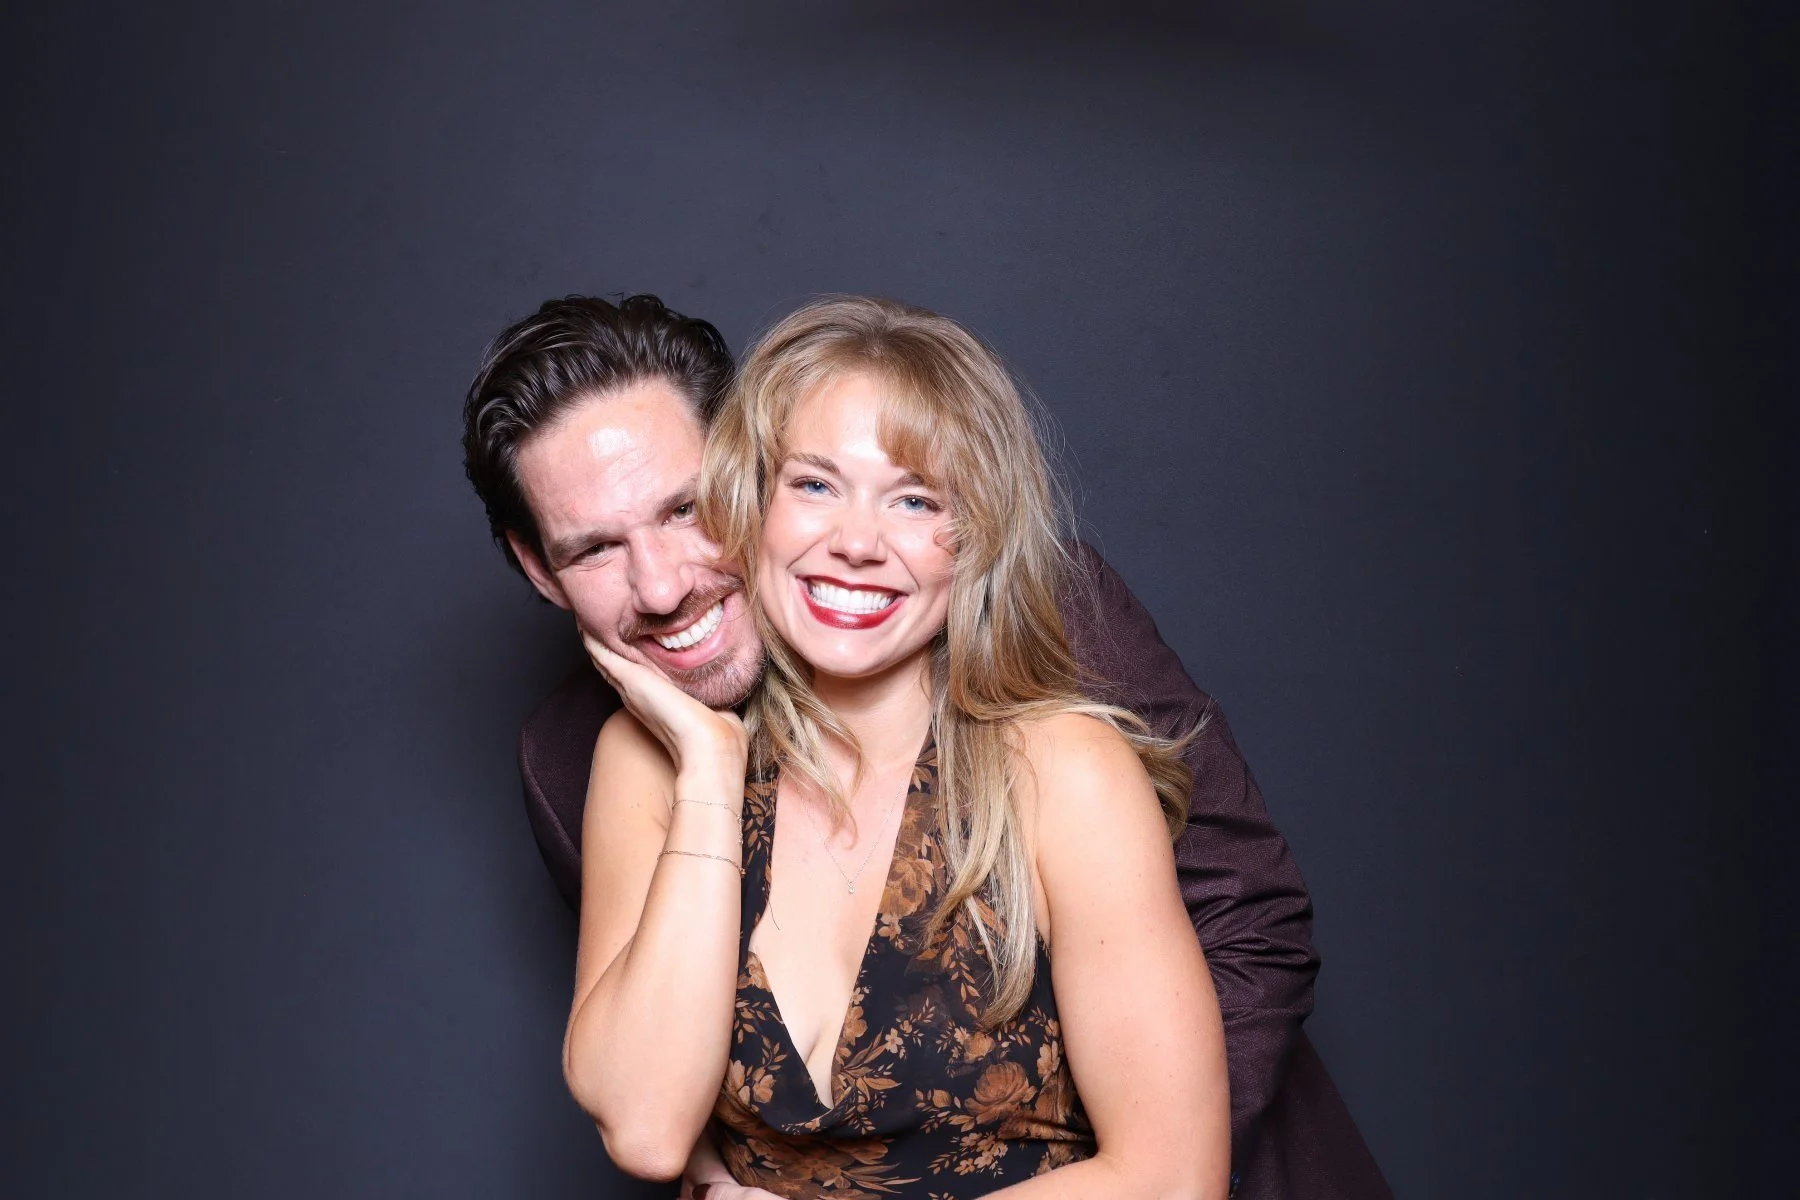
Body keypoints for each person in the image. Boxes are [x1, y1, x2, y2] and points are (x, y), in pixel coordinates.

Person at [461, 295, 1390, 1199]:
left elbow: (1239, 952)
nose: (663, 588)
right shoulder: (610, 756)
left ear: (742, 474)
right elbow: (656, 1112)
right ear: (542, 568)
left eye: (685, 509)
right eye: (595, 549)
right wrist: (707, 766)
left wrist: (1155, 1123)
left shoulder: (1047, 677)